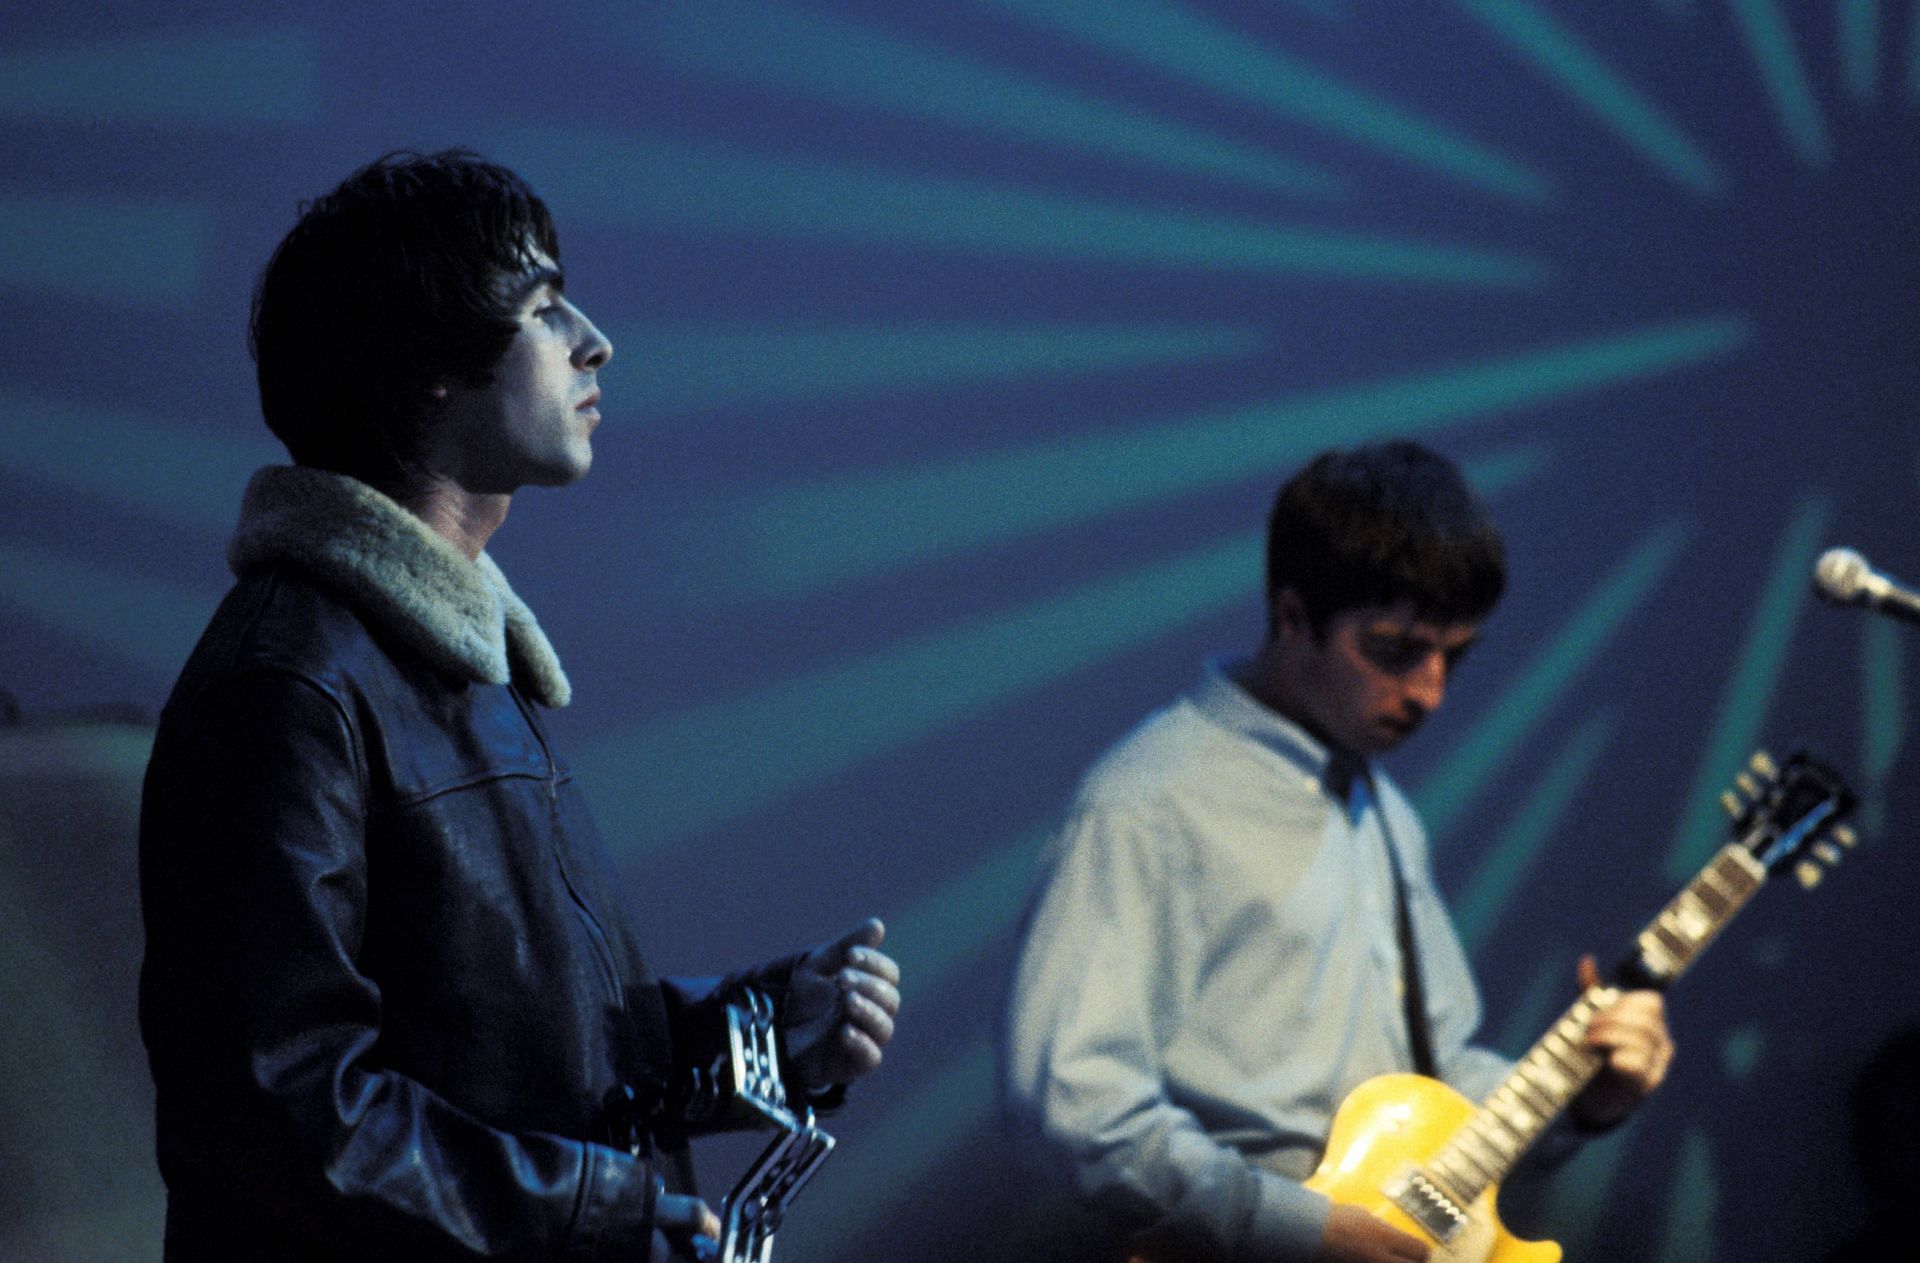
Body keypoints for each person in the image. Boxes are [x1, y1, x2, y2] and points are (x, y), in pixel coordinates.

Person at [138, 150, 901, 1261]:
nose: (594, 339)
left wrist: (764, 1037)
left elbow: (513, 1062)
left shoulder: (440, 657)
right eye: (544, 308)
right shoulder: (288, 687)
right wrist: (598, 1211)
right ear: (430, 367)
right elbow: (281, 1117)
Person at [1000, 442, 1673, 1263]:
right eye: (1394, 650)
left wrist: (1583, 1097)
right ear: (1292, 616)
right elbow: (1076, 1104)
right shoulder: (1145, 802)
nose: (1429, 690)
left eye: (1453, 656)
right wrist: (1298, 1228)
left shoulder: (1384, 808)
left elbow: (1442, 1075)